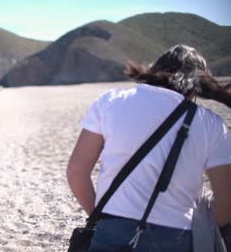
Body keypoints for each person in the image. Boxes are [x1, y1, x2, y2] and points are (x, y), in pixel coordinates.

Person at [66, 45, 231, 251]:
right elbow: (226, 203)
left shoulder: (111, 102)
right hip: (176, 237)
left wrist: (99, 217)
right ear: (198, 85)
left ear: (154, 70)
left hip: (111, 230)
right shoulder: (211, 124)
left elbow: (76, 172)